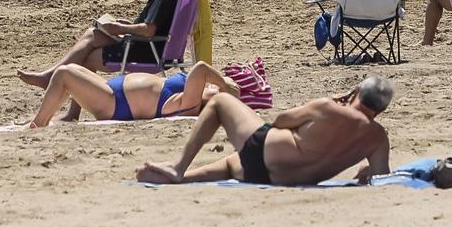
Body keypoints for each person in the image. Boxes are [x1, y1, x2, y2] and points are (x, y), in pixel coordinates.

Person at [136, 77, 392, 187]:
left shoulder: (328, 107)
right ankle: (186, 178)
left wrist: (330, 101)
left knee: (220, 103)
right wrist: (365, 172)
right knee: (230, 163)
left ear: (356, 93)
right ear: (379, 111)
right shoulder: (378, 137)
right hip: (283, 180)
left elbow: (280, 121)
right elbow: (381, 177)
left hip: (262, 154)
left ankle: (179, 168)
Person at [18, 0, 183, 90]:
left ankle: (55, 83)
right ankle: (51, 78)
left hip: (147, 52)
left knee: (89, 51)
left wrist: (120, 28)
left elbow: (148, 30)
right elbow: (159, 27)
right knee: (93, 37)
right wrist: (128, 25)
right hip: (159, 50)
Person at [28, 60, 238, 129]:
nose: (213, 88)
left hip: (114, 104)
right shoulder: (194, 93)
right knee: (73, 67)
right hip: (112, 91)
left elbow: (201, 69)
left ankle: (38, 124)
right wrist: (224, 84)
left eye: (216, 93)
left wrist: (224, 86)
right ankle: (44, 118)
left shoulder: (190, 105)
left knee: (65, 74)